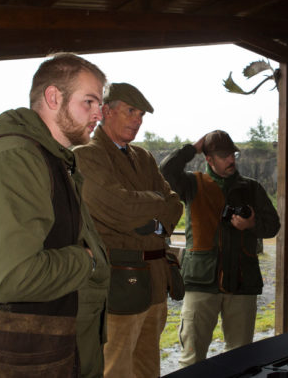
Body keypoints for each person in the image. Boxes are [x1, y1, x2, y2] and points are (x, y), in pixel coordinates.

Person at [0, 53, 110, 377]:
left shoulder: (53, 159)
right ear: (53, 97)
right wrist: (86, 261)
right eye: (90, 102)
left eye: (100, 104)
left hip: (43, 354)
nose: (100, 114)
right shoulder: (16, 160)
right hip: (12, 359)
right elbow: (9, 277)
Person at [73, 83, 183, 377]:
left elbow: (175, 205)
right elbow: (116, 207)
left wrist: (156, 221)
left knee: (148, 368)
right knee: (116, 367)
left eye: (142, 115)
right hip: (119, 282)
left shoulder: (144, 157)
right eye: (131, 111)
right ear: (106, 111)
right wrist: (156, 201)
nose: (138, 120)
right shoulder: (87, 155)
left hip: (157, 282)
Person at [160, 130, 280, 367]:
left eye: (232, 154)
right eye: (223, 155)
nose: (230, 160)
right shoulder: (191, 184)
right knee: (192, 359)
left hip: (242, 282)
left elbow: (273, 225)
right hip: (200, 283)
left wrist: (251, 224)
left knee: (241, 358)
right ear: (208, 158)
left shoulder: (251, 188)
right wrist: (191, 149)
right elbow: (165, 171)